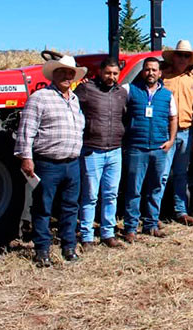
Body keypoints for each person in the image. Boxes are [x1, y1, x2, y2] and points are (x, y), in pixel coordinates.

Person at [14, 56, 87, 267]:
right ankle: (42, 250)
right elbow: (26, 130)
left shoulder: (74, 100)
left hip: (72, 163)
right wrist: (26, 158)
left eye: (70, 73)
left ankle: (69, 247)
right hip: (48, 164)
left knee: (70, 207)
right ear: (53, 74)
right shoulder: (40, 98)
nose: (66, 76)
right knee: (43, 208)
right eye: (62, 72)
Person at [122, 57, 177, 242]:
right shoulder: (130, 90)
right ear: (142, 71)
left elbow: (173, 118)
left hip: (159, 149)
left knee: (155, 188)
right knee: (134, 189)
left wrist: (171, 140)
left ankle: (151, 225)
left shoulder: (168, 95)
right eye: (147, 69)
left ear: (160, 73)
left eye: (154, 70)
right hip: (137, 148)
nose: (151, 73)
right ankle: (130, 228)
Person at [74, 58, 127, 249]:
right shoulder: (86, 90)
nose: (111, 77)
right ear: (100, 72)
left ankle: (108, 233)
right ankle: (87, 236)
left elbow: (125, 116)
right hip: (92, 150)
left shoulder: (121, 93)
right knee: (90, 195)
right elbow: (71, 107)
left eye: (115, 74)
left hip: (114, 150)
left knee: (111, 194)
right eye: (108, 73)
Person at [161, 40, 193, 226]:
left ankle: (181, 211)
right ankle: (154, 213)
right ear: (174, 57)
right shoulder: (162, 78)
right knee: (161, 174)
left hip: (186, 133)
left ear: (190, 60)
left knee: (181, 173)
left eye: (186, 56)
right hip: (164, 133)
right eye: (180, 55)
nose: (182, 58)